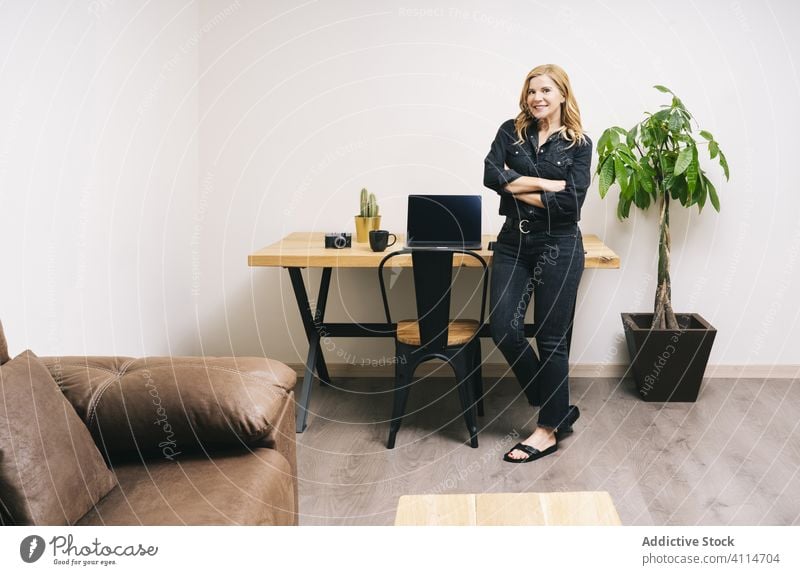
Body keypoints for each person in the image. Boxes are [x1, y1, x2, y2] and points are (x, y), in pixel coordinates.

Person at [483, 64, 591, 463]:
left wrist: (516, 186)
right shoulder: (509, 131)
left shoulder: (579, 144)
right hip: (513, 240)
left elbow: (571, 204)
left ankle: (547, 430)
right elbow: (491, 174)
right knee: (503, 327)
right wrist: (547, 184)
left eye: (545, 90)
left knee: (551, 340)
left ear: (562, 94)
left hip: (559, 244)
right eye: (531, 91)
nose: (537, 98)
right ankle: (555, 403)